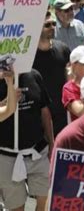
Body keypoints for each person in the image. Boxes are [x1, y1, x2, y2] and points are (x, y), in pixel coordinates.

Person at [0, 69, 54, 211]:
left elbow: (44, 111)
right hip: (7, 156)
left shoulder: (34, 75)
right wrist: (8, 95)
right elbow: (8, 110)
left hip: (37, 152)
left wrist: (52, 143)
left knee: (44, 202)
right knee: (16, 207)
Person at [33, 12, 71, 137]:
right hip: (38, 114)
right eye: (47, 25)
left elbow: (69, 79)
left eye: (54, 24)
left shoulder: (63, 48)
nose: (52, 27)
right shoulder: (29, 55)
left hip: (61, 111)